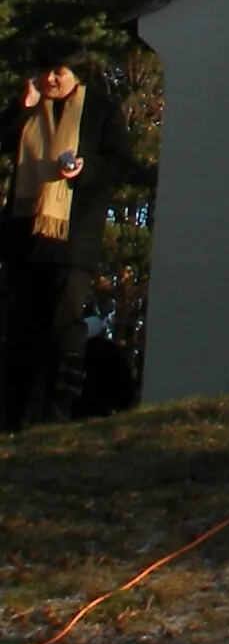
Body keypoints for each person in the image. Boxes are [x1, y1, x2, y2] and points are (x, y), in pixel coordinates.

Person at [0, 45, 147, 429]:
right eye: (45, 72)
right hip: (23, 238)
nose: (50, 79)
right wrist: (23, 107)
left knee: (63, 326)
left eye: (58, 72)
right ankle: (13, 417)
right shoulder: (27, 109)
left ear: (74, 74)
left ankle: (58, 410)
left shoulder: (100, 111)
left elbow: (122, 163)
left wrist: (84, 169)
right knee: (19, 331)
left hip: (71, 239)